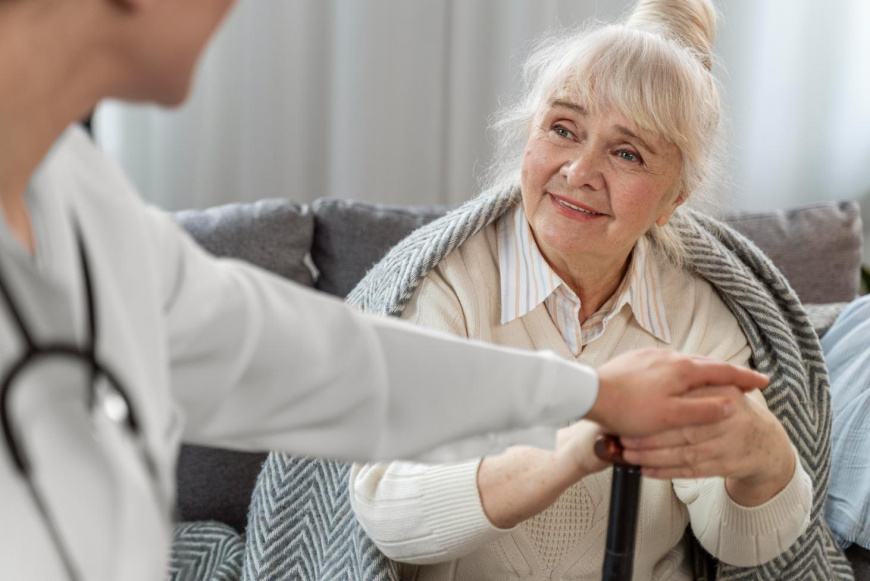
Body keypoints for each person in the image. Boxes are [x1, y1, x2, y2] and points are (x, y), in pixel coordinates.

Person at [0, 1, 772, 580]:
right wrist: (583, 411)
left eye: (629, 152)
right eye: (564, 129)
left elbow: (322, 363)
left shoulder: (85, 201)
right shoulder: (459, 276)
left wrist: (594, 391)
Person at [343, 0, 848, 579]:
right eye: (563, 129)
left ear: (674, 198)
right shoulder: (451, 286)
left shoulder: (698, 315)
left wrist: (764, 458)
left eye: (627, 152)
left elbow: (739, 544)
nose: (580, 170)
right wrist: (577, 441)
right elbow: (388, 510)